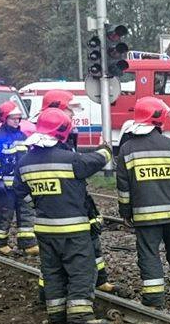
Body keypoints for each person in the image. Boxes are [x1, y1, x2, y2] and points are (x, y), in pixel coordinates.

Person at [12, 108, 112, 324]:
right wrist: (106, 148)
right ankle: (80, 315)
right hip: (73, 229)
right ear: (63, 132)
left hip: (45, 229)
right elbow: (96, 161)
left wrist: (41, 203)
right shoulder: (71, 159)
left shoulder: (25, 163)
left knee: (53, 271)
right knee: (81, 270)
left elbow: (19, 192)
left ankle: (56, 313)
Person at [117, 96, 170, 308]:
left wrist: (125, 213)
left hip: (144, 217)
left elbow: (123, 188)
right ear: (158, 120)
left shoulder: (127, 150)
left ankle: (154, 299)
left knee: (149, 255)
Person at [39, 89, 122, 294]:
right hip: (61, 204)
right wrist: (103, 153)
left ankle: (100, 279)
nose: (73, 115)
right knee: (61, 256)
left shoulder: (65, 135)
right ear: (57, 109)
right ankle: (52, 292)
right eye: (70, 110)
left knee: (92, 236)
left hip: (76, 198)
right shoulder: (46, 137)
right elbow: (77, 165)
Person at [0, 102, 37, 255]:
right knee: (5, 214)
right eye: (13, 118)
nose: (16, 121)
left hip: (22, 185)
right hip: (5, 187)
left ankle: (27, 244)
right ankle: (0, 243)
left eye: (18, 118)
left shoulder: (22, 136)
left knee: (26, 213)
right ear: (5, 118)